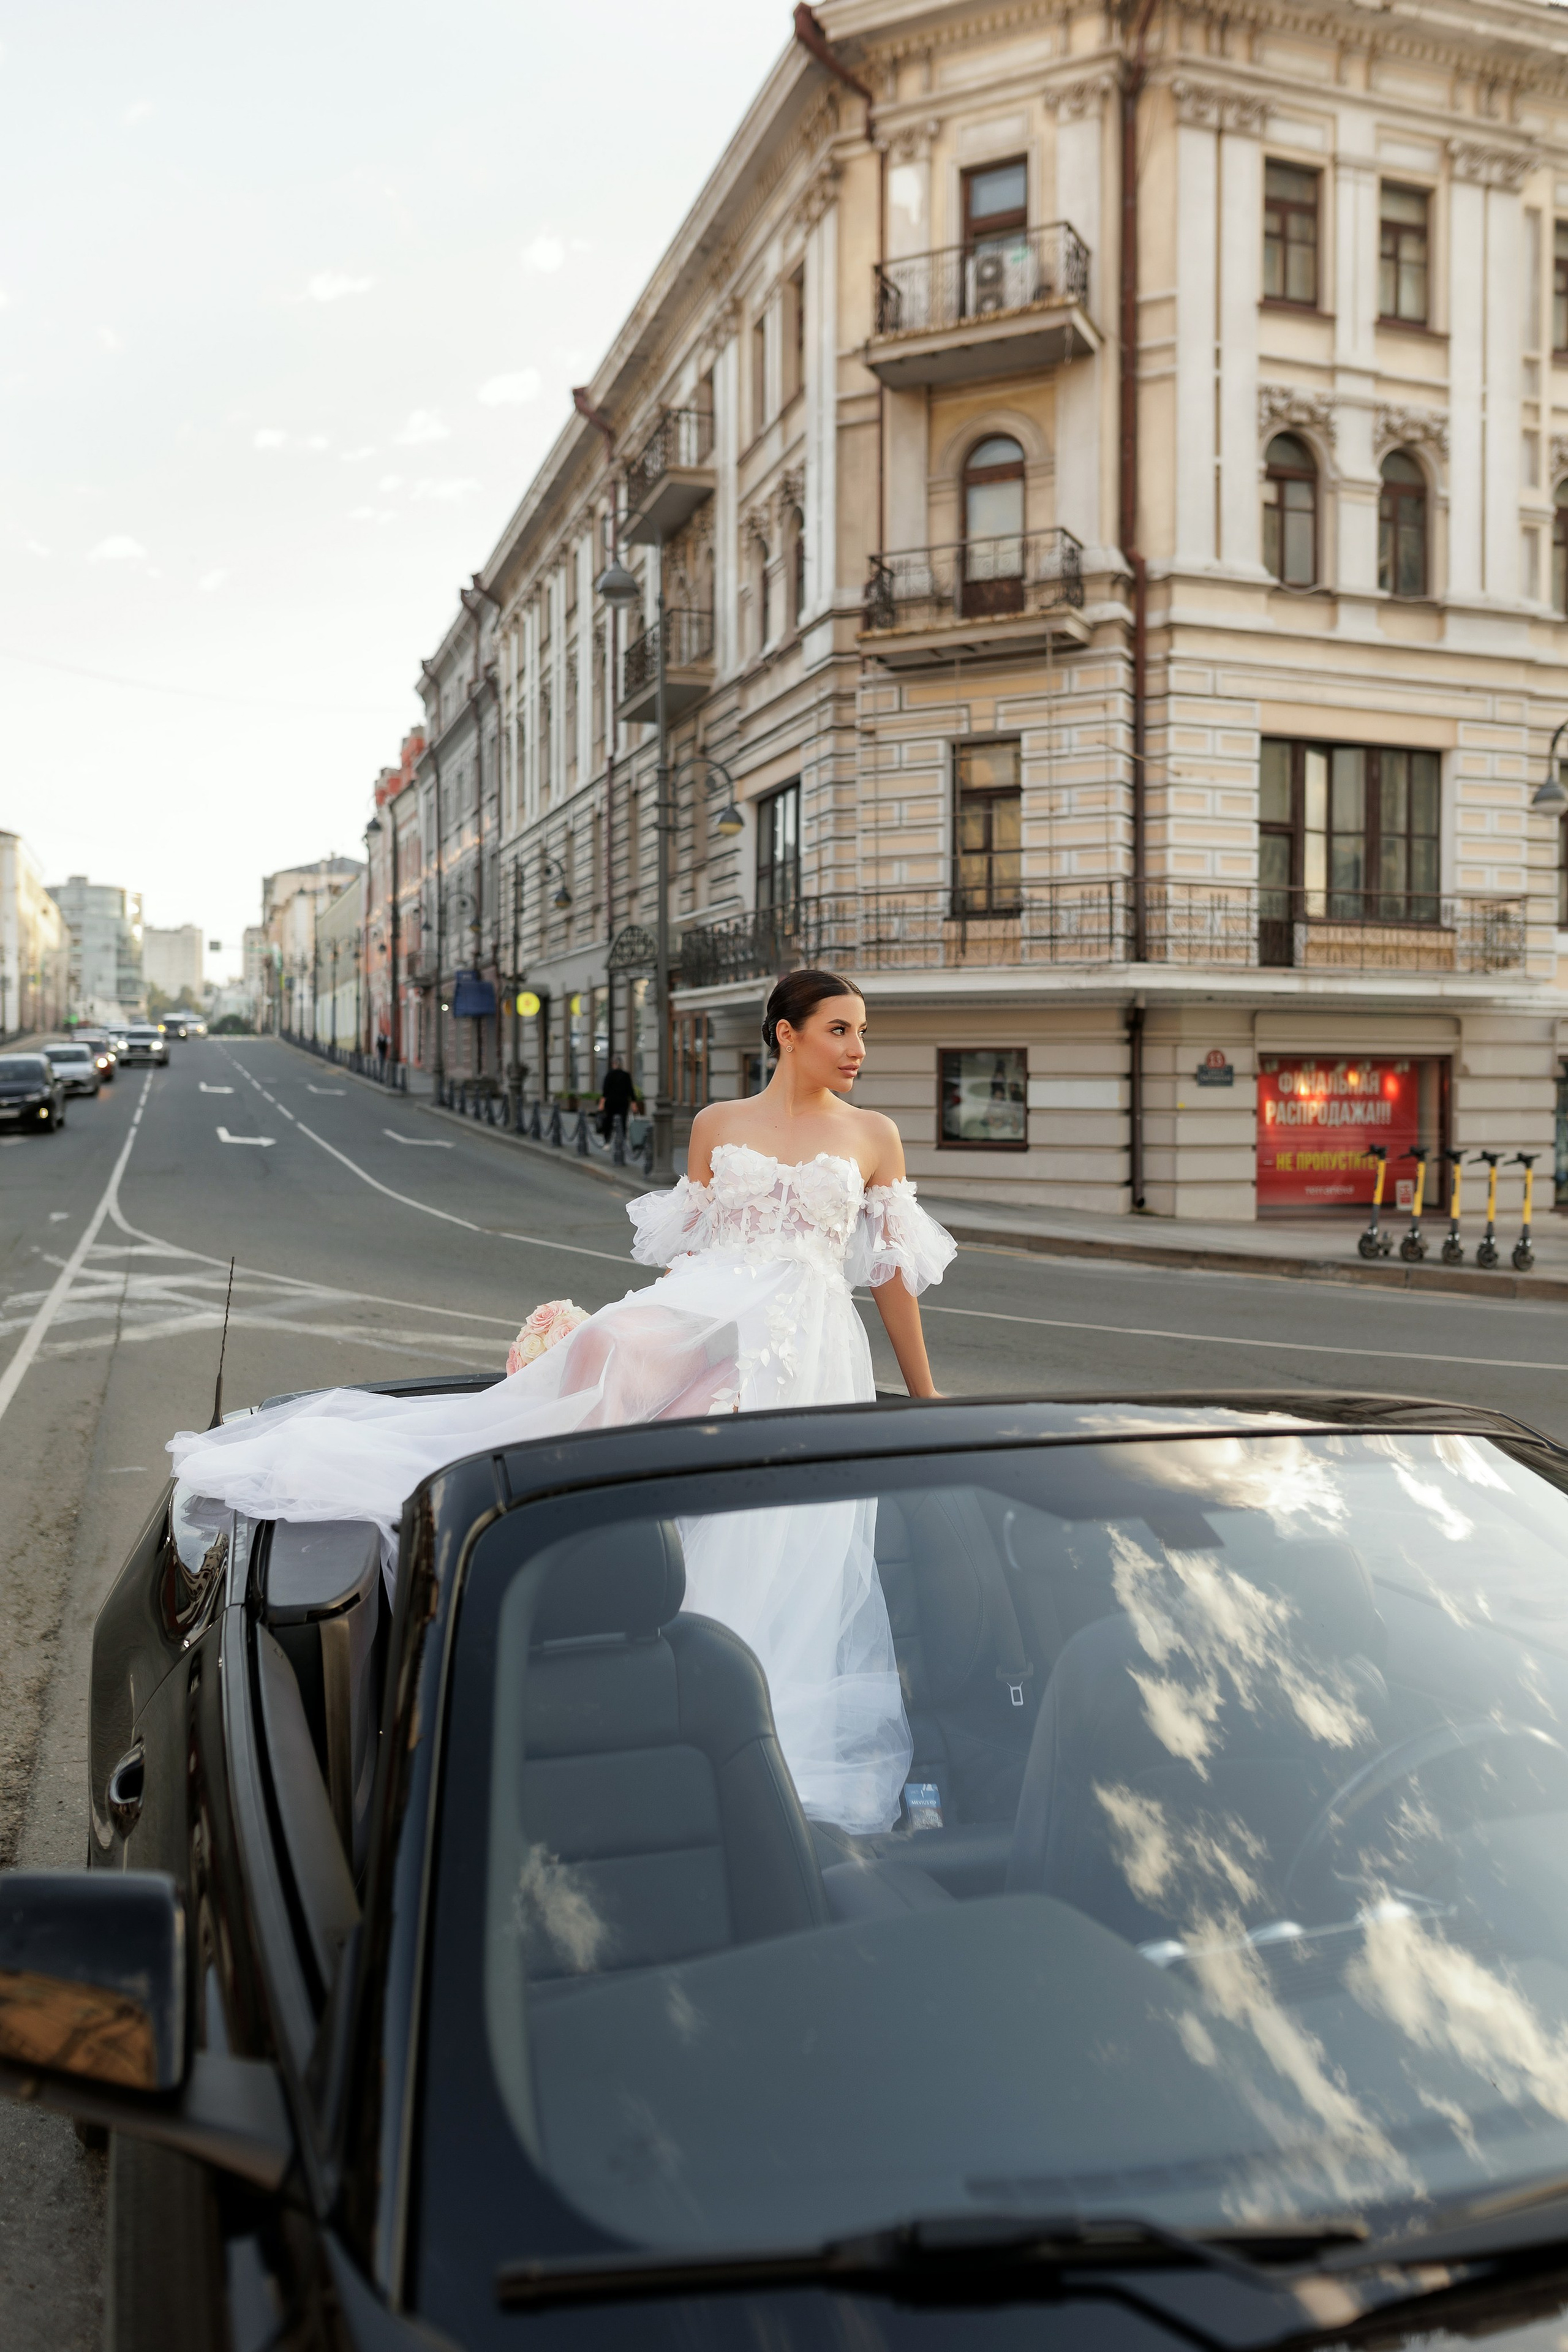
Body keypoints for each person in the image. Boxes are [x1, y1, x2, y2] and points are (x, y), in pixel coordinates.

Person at [167, 970, 954, 1833]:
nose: (859, 1050)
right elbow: (687, 1267)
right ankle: (659, 1703)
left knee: (780, 1537)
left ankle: (752, 1723)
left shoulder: (875, 1136)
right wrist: (627, 1341)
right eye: (841, 1030)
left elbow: (889, 1277)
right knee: (649, 1448)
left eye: (863, 1032)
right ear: (786, 1035)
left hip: (809, 1353)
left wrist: (923, 1393)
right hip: (709, 1322)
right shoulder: (717, 1126)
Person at [596, 1051, 641, 1140]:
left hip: (611, 1102)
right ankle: (622, 1139)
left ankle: (607, 1140)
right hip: (623, 1102)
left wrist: (601, 1104)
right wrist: (634, 1104)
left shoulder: (609, 1075)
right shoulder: (626, 1075)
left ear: (613, 1064)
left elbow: (605, 1091)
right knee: (622, 1121)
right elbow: (630, 1091)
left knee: (609, 1121)